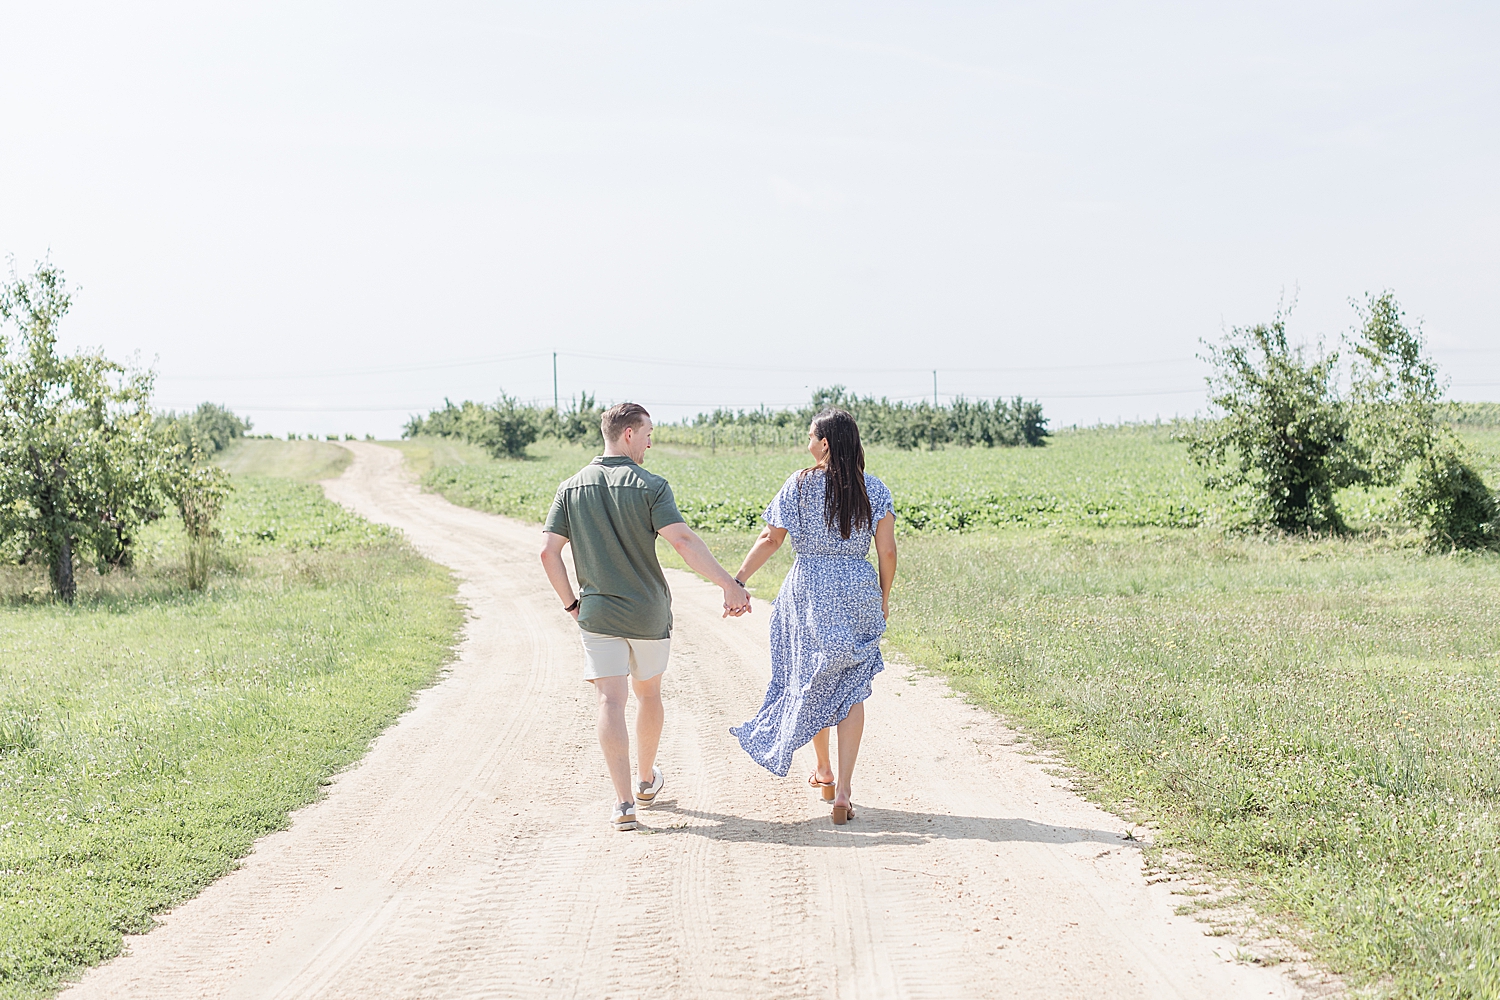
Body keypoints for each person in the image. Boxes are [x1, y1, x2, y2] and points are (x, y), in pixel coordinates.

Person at [540, 402, 751, 832]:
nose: (651, 440)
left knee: (609, 701)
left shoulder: (571, 487)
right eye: (648, 432)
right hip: (648, 613)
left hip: (598, 614)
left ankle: (622, 804)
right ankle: (645, 781)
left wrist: (571, 604)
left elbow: (548, 552)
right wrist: (729, 584)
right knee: (648, 694)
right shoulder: (651, 486)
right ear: (629, 434)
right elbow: (684, 542)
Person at [729, 408, 897, 825]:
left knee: (811, 676)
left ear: (824, 443)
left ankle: (823, 771)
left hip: (808, 588)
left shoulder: (799, 485)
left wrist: (738, 579)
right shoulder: (874, 489)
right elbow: (888, 552)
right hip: (858, 587)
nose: (806, 444)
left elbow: (771, 538)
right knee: (852, 685)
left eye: (810, 437)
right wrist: (884, 595)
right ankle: (843, 792)